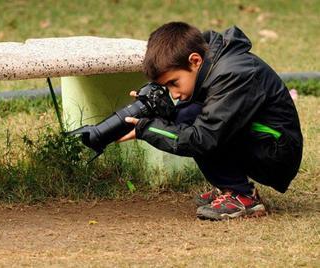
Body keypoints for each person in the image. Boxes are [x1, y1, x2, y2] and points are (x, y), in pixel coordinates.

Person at [118, 22, 303, 220]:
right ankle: (229, 186)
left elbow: (203, 137)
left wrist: (147, 129)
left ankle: (241, 195)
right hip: (263, 139)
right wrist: (163, 111)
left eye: (174, 83)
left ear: (195, 60)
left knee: (194, 123)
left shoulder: (233, 73)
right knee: (186, 114)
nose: (175, 93)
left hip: (276, 151)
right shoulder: (213, 63)